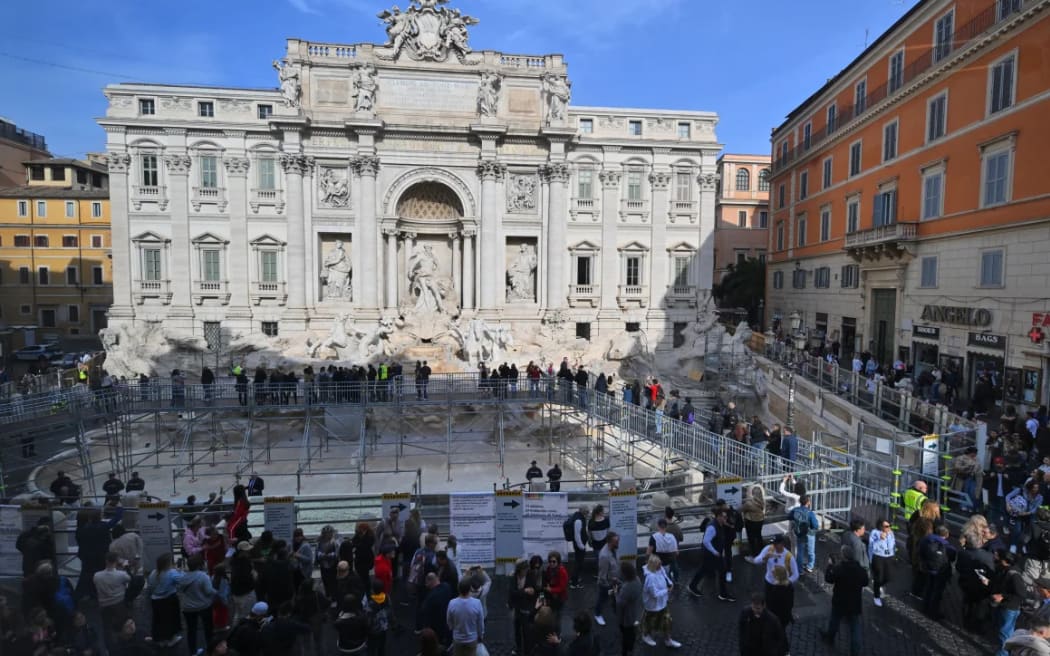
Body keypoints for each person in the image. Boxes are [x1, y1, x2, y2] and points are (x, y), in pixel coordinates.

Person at [820, 545, 869, 656]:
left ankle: (830, 637)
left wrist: (829, 566)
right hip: (854, 603)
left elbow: (829, 579)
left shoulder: (839, 569)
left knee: (834, 621)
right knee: (855, 628)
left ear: (844, 556)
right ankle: (855, 651)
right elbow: (865, 582)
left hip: (840, 602)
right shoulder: (859, 569)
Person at [688, 509, 735, 601]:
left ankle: (723, 593)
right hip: (711, 554)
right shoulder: (712, 527)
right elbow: (706, 541)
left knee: (714, 571)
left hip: (715, 554)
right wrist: (714, 551)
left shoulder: (719, 524)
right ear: (718, 517)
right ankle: (723, 594)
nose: (726, 518)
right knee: (706, 570)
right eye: (724, 517)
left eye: (726, 517)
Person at [179, 554, 218, 656]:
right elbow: (208, 591)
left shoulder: (183, 576)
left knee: (191, 630)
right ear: (199, 565)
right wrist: (217, 592)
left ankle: (193, 652)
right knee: (208, 629)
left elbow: (180, 589)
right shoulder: (203, 576)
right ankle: (211, 650)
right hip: (204, 606)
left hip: (188, 607)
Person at [641, 554, 681, 649]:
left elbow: (665, 576)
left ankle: (668, 639)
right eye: (659, 564)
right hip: (653, 605)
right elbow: (654, 594)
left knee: (667, 620)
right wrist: (667, 590)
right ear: (654, 565)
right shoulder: (650, 578)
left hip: (662, 603)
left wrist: (670, 583)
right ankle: (646, 636)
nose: (661, 565)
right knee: (650, 622)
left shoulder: (660, 569)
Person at [992, 550, 1027, 656]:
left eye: (998, 556)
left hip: (1010, 608)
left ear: (1004, 560)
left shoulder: (1013, 574)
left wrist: (1003, 596)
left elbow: (1021, 593)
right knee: (1005, 632)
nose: (995, 557)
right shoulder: (1005, 570)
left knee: (1005, 633)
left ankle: (1003, 654)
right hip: (1006, 606)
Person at [919, 525, 956, 620]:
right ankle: (933, 611)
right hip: (941, 572)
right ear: (946, 535)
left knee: (929, 587)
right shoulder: (948, 546)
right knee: (937, 592)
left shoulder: (926, 540)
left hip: (928, 568)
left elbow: (921, 551)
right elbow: (952, 558)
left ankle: (925, 606)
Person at [508, 559, 540, 656]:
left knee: (526, 631)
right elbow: (512, 592)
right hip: (516, 607)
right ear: (519, 570)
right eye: (523, 570)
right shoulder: (513, 577)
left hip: (527, 607)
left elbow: (535, 590)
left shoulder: (530, 575)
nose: (525, 572)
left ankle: (527, 651)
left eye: (526, 569)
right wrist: (525, 591)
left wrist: (533, 592)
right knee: (517, 629)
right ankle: (518, 648)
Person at [446, 578, 484, 656]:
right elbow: (480, 622)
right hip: (472, 639)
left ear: (458, 589)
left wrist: (453, 628)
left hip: (458, 638)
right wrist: (481, 635)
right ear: (470, 589)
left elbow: (449, 621)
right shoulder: (477, 603)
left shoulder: (452, 603)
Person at [616, 560, 642, 656]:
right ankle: (630, 646)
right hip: (635, 611)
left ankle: (626, 651)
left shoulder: (626, 588)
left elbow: (619, 603)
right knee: (631, 632)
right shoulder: (637, 579)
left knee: (626, 634)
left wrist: (615, 593)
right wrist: (619, 582)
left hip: (627, 616)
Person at [867, 518, 895, 607]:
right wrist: (880, 539)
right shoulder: (875, 533)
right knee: (879, 577)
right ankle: (876, 596)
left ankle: (878, 585)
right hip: (878, 557)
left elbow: (892, 545)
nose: (888, 527)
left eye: (889, 525)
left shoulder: (890, 533)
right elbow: (872, 546)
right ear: (881, 526)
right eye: (886, 526)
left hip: (889, 557)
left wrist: (889, 536)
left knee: (889, 577)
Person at [421, 573, 453, 648]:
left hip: (436, 627)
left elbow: (424, 611)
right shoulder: (447, 587)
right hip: (447, 623)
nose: (426, 585)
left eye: (426, 583)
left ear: (430, 581)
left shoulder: (430, 597)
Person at [595, 531, 619, 626]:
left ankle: (618, 613)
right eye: (616, 541)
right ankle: (597, 614)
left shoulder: (613, 549)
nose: (618, 543)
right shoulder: (604, 556)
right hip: (607, 584)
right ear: (609, 542)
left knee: (615, 598)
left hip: (614, 581)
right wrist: (608, 585)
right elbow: (602, 575)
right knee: (602, 599)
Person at [790, 495, 819, 573]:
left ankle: (800, 569)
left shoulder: (795, 510)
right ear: (808, 503)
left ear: (800, 502)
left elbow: (789, 517)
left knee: (800, 552)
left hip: (799, 533)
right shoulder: (810, 513)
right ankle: (810, 566)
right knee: (811, 551)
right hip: (810, 534)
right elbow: (816, 525)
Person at [363, 578, 390, 656]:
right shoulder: (386, 597)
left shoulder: (369, 601)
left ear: (372, 590)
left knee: (371, 648)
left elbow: (366, 614)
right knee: (381, 647)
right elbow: (390, 611)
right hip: (383, 627)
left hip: (372, 629)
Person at [741, 485, 768, 557]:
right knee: (758, 536)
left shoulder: (749, 503)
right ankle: (762, 553)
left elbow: (741, 509)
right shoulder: (762, 501)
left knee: (751, 539)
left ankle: (754, 555)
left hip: (751, 522)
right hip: (760, 521)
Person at [568, 506, 589, 588]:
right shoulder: (578, 520)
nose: (588, 514)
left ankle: (574, 578)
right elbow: (577, 535)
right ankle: (574, 583)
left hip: (578, 545)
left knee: (577, 562)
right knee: (578, 563)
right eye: (587, 512)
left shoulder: (577, 517)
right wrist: (582, 546)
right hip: (579, 545)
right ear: (583, 512)